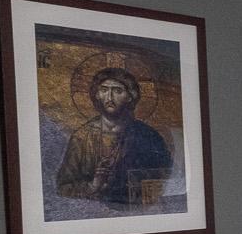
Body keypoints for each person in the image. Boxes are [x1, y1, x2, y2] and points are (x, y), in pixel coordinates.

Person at [55, 67, 175, 207]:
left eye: (118, 91)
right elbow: (63, 187)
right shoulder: (82, 137)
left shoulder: (148, 136)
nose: (110, 98)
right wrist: (93, 186)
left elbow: (167, 178)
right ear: (96, 95)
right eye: (104, 90)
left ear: (130, 96)